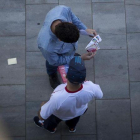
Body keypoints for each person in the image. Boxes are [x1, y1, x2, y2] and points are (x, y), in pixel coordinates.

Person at [33, 56, 103, 133]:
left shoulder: (57, 96)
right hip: (80, 111)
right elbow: (100, 95)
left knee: (51, 122)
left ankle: (52, 129)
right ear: (84, 78)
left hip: (60, 115)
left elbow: (42, 116)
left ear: (66, 76)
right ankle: (71, 128)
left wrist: (42, 106)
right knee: (74, 120)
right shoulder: (91, 87)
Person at [37, 5, 97, 89]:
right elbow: (55, 61)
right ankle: (52, 74)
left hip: (65, 50)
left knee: (70, 55)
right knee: (51, 64)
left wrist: (85, 30)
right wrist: (79, 58)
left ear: (69, 23)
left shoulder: (63, 10)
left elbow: (74, 18)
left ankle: (70, 56)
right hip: (54, 57)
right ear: (60, 40)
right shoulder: (47, 47)